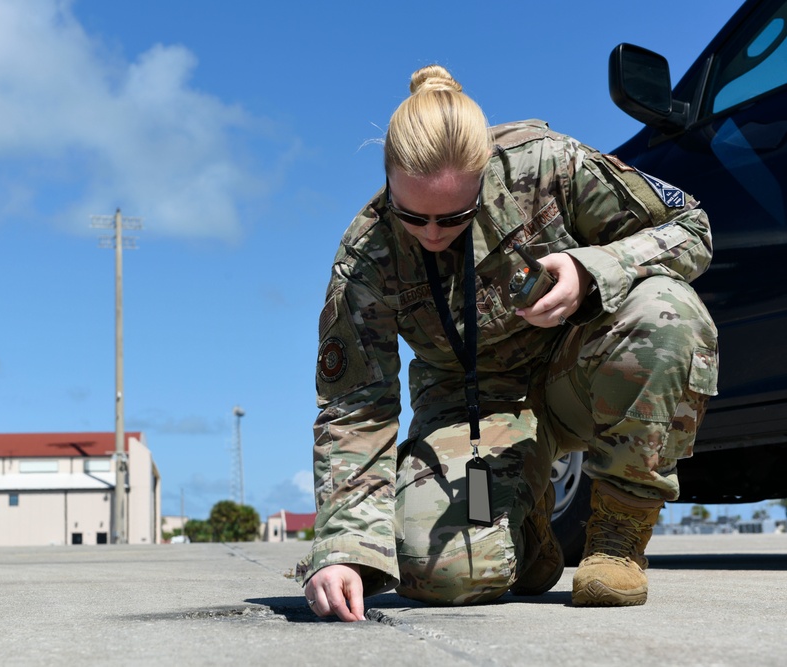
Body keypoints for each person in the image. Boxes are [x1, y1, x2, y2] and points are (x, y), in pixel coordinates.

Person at [296, 64, 719, 620]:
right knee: (435, 571)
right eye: (412, 215)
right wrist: (343, 549)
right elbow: (356, 408)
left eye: (454, 216)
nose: (430, 233)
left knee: (666, 310)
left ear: (486, 173)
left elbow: (691, 228)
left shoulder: (548, 165)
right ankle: (525, 519)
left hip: (582, 373)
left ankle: (617, 539)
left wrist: (590, 267)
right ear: (388, 181)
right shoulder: (367, 256)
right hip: (474, 413)